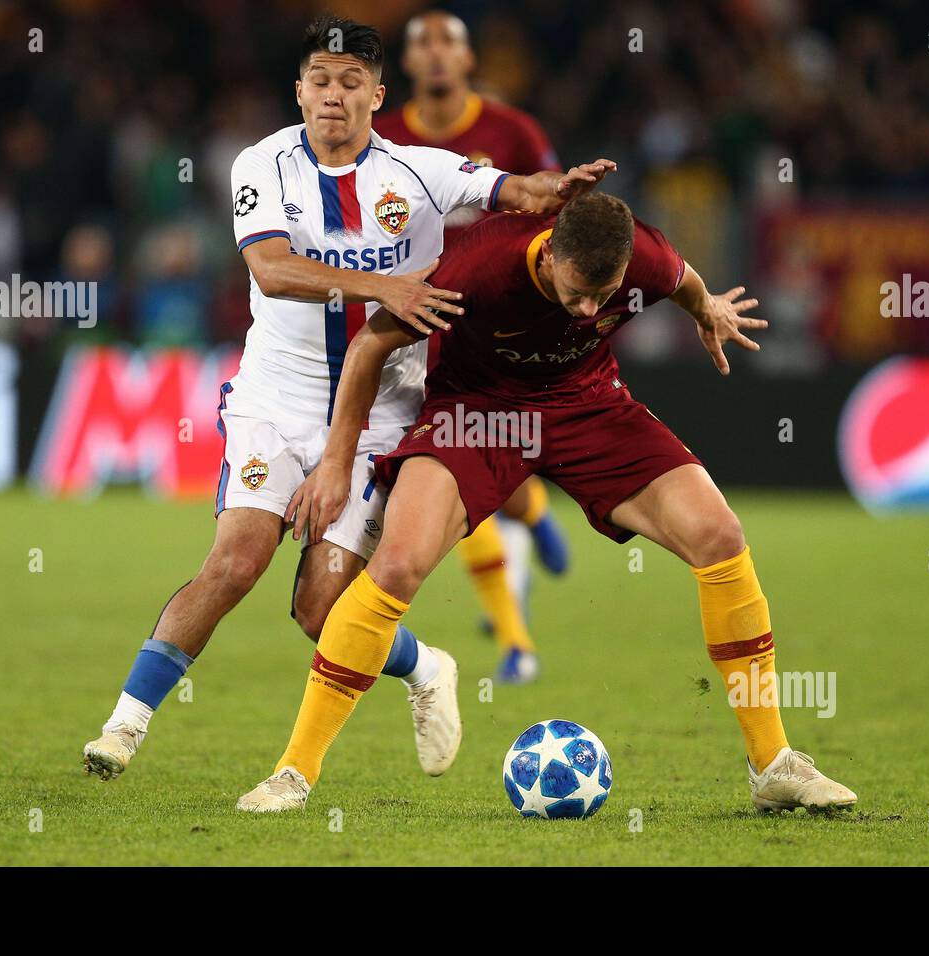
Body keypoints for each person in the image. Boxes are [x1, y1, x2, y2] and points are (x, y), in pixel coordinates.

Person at [80, 15, 616, 795]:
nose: (334, 95)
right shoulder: (261, 164)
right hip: (274, 400)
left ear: (377, 94)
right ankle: (125, 725)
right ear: (300, 90)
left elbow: (508, 188)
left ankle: (426, 665)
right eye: (321, 81)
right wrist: (384, 287)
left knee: (322, 609)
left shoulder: (419, 172)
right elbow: (271, 269)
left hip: (381, 415)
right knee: (235, 561)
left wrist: (553, 191)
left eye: (351, 82)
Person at [241, 192, 857, 814]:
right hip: (477, 413)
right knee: (397, 566)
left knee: (720, 535)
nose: (591, 308)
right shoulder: (479, 265)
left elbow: (683, 279)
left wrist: (707, 310)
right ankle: (294, 773)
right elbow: (374, 343)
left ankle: (772, 764)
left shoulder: (642, 254)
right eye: (578, 291)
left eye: (606, 294)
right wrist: (340, 461)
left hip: (587, 405)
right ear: (552, 252)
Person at [375, 9, 571, 683]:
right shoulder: (383, 139)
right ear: (406, 64)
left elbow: (557, 215)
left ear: (467, 61)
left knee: (478, 475)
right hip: (413, 326)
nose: (434, 56)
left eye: (447, 44)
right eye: (421, 44)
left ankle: (532, 510)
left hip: (494, 326)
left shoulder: (513, 131)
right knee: (445, 472)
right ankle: (518, 642)